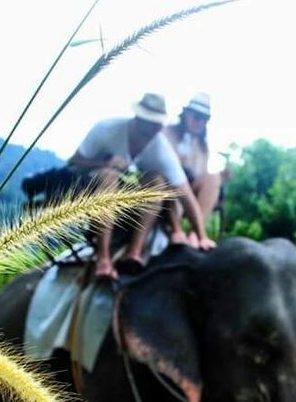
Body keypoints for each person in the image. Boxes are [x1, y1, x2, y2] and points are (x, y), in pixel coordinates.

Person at [68, 92, 214, 281]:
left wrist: (202, 236)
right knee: (109, 177)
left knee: (157, 182)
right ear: (137, 119)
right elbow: (74, 162)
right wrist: (104, 164)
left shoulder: (161, 147)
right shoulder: (107, 129)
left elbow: (185, 193)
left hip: (129, 201)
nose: (152, 131)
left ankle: (134, 252)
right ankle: (103, 260)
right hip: (91, 191)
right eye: (148, 125)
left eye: (156, 126)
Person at [162, 93, 225, 241]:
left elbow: (200, 174)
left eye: (204, 119)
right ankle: (175, 231)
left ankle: (195, 235)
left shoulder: (203, 147)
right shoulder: (166, 133)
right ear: (186, 114)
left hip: (190, 191)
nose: (200, 122)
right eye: (196, 117)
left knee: (213, 178)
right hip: (167, 188)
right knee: (174, 181)